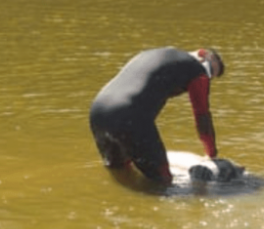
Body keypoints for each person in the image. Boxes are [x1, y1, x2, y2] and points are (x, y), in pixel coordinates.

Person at [90, 46, 225, 185]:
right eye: (210, 71)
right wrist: (212, 154)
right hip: (129, 115)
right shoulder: (198, 72)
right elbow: (202, 116)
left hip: (98, 112)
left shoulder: (153, 55)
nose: (206, 78)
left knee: (119, 171)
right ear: (203, 54)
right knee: (163, 182)